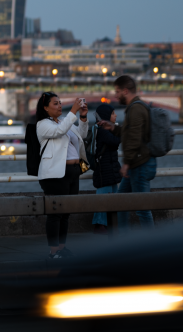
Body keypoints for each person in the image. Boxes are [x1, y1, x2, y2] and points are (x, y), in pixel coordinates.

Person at [35, 91, 89, 258]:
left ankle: (61, 248)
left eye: (60, 103)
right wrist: (73, 111)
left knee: (66, 212)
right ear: (45, 108)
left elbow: (82, 135)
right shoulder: (43, 124)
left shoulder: (64, 122)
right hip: (55, 174)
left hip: (73, 172)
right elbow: (59, 131)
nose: (59, 106)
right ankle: (53, 252)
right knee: (55, 213)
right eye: (55, 103)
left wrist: (83, 117)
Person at [113, 75, 156, 228]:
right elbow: (130, 132)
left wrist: (126, 163)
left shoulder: (136, 108)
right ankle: (123, 238)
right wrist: (113, 128)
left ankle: (152, 241)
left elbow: (135, 138)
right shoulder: (135, 107)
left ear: (125, 91)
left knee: (142, 208)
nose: (115, 95)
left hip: (139, 164)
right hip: (136, 163)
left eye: (117, 92)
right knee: (121, 202)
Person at [87, 103, 121, 234]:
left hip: (110, 169)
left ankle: (108, 224)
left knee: (113, 198)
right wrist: (119, 131)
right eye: (113, 113)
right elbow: (115, 141)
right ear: (106, 116)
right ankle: (99, 225)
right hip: (104, 171)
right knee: (102, 198)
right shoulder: (102, 130)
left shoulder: (106, 130)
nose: (116, 115)